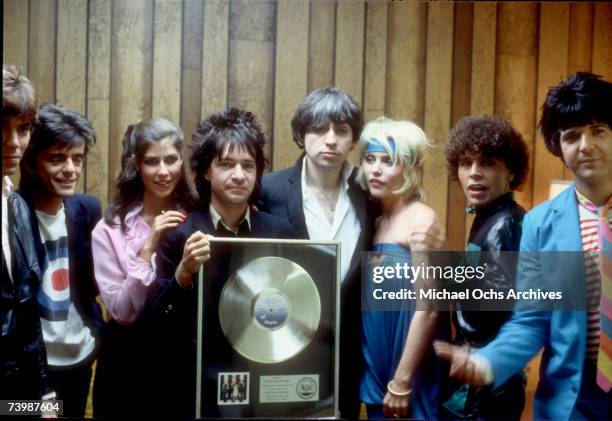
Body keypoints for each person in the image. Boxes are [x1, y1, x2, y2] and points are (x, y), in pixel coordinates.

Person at [435, 72, 612, 420]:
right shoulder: (540, 224)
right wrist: (489, 362)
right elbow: (531, 320)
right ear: (558, 146)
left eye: (598, 131)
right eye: (572, 136)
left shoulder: (507, 221)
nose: (585, 145)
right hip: (573, 401)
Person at [144, 108, 293, 418]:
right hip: (193, 383)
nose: (239, 175)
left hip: (262, 379)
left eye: (248, 166)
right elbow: (156, 322)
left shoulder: (280, 232)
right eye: (226, 164)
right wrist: (184, 272)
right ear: (207, 171)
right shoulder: (179, 231)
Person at [259, 87, 375, 418]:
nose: (330, 140)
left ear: (353, 139)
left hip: (349, 351)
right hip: (284, 344)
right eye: (319, 129)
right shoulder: (270, 189)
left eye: (341, 130)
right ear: (301, 135)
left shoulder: (369, 193)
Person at [91, 118, 195, 416]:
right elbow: (122, 312)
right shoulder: (108, 230)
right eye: (152, 162)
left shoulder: (198, 214)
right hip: (128, 360)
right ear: (137, 165)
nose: (163, 171)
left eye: (171, 160)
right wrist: (148, 246)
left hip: (181, 359)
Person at [357, 117, 448, 419]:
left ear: (409, 168)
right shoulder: (374, 221)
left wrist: (403, 379)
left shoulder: (422, 219)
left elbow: (431, 307)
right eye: (370, 159)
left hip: (409, 366)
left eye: (388, 161)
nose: (376, 169)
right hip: (376, 363)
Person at [441, 115, 529, 419]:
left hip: (488, 376)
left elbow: (496, 302)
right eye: (466, 163)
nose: (474, 173)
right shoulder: (489, 215)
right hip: (478, 368)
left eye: (488, 163)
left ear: (511, 171)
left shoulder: (504, 223)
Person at [19, 103, 103, 417]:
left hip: (78, 358)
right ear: (29, 163)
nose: (71, 169)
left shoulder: (87, 210)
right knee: (16, 411)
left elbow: (94, 283)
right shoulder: (13, 214)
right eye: (57, 158)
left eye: (77, 159)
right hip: (29, 365)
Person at [1, 65, 54, 402]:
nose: (14, 142)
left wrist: (45, 397)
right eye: (1, 128)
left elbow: (28, 312)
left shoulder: (19, 207)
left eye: (23, 129)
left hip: (19, 397)